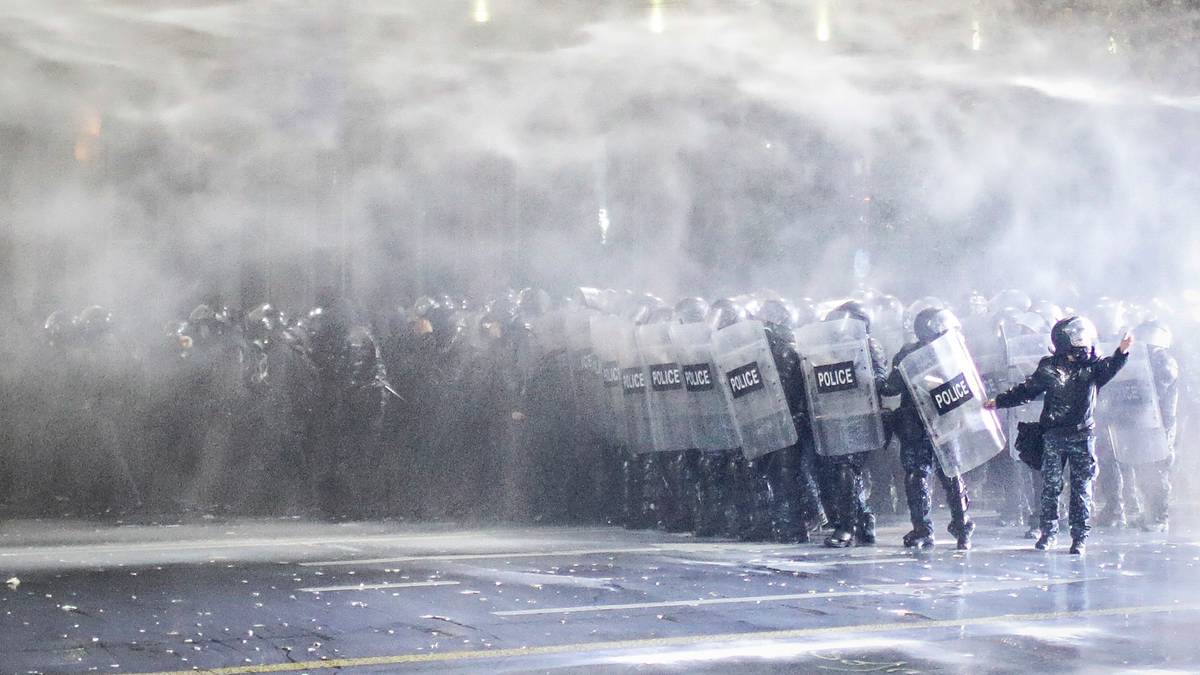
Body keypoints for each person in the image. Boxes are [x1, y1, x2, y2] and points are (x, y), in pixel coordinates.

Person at [985, 317, 1133, 554]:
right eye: (1077, 337)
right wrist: (1000, 401)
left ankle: (1079, 537)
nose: (1082, 342)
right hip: (1054, 436)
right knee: (1051, 487)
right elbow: (1027, 390)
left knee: (1081, 488)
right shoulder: (1049, 367)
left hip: (1083, 436)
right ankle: (1048, 532)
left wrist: (1121, 352)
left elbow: (1111, 367)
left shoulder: (1093, 367)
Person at [881, 307, 975, 550]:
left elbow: (891, 387)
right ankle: (961, 527)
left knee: (921, 476)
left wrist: (878, 380)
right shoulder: (944, 352)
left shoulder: (912, 354)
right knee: (948, 473)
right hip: (937, 421)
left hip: (925, 423)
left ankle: (925, 530)